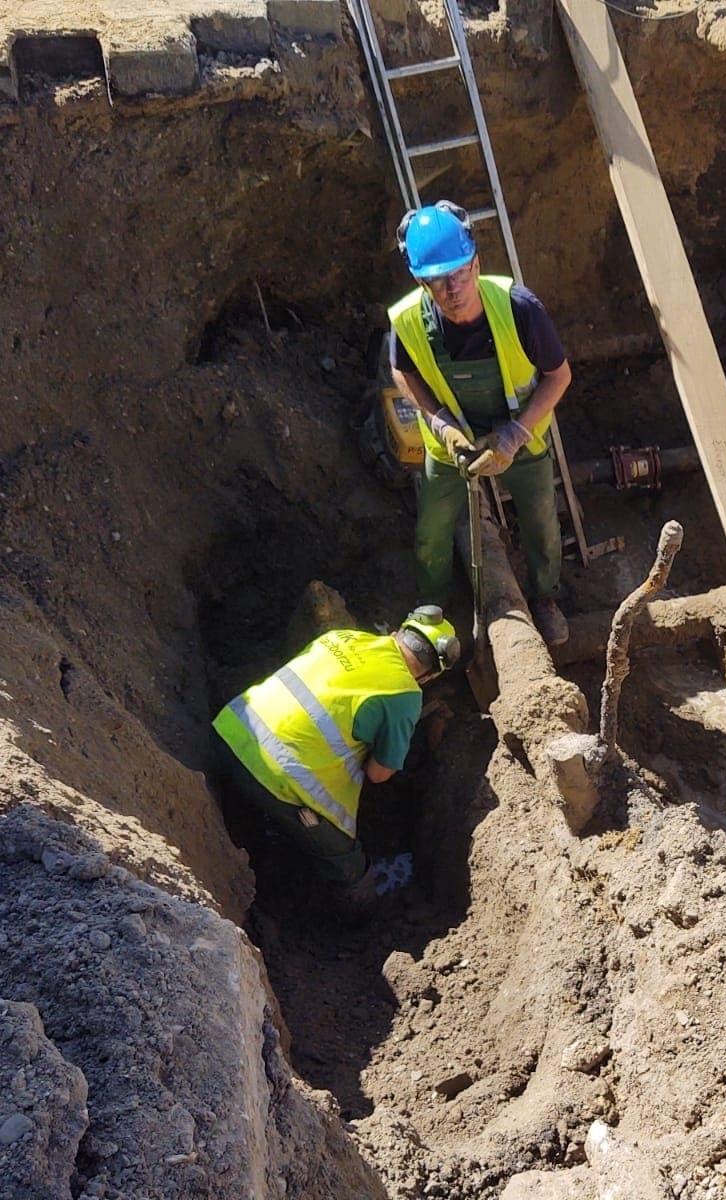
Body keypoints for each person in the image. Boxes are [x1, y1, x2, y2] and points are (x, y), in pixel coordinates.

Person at [386, 200, 573, 647]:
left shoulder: (519, 308)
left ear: (475, 262)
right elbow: (402, 372)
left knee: (542, 521)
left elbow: (559, 376)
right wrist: (441, 424)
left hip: (521, 435)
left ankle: (545, 599)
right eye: (437, 281)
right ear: (419, 279)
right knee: (431, 533)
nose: (451, 289)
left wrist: (515, 434)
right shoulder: (408, 319)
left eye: (459, 274)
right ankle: (431, 612)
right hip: (452, 443)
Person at [212, 607, 460, 919]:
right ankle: (357, 921)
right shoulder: (405, 695)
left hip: (228, 732)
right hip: (272, 775)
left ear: (398, 632)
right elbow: (379, 774)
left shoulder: (341, 637)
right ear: (431, 674)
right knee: (347, 863)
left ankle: (264, 827)